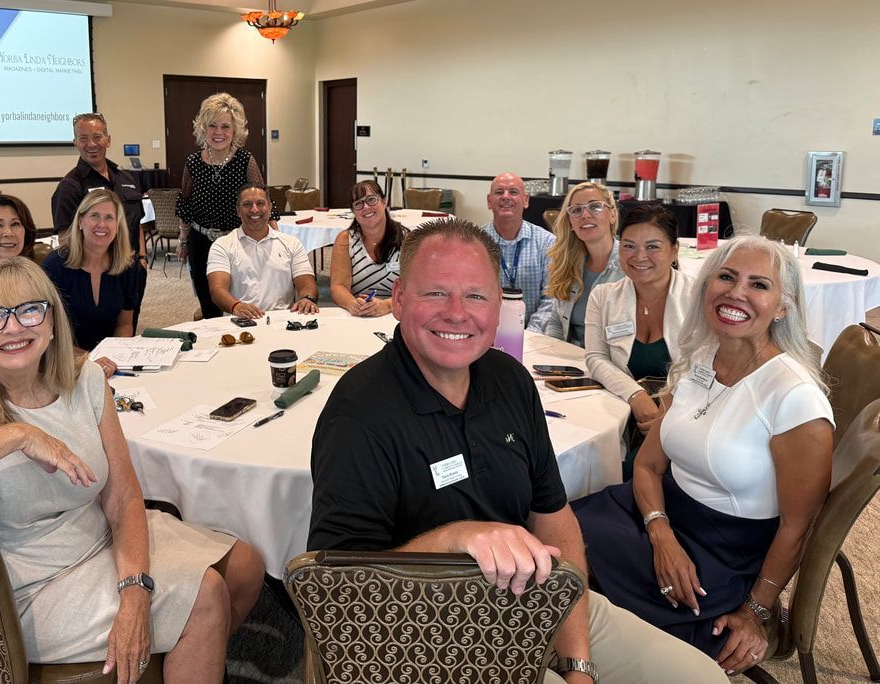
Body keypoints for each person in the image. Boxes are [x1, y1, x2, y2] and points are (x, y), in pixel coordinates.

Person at [309, 218, 729, 684]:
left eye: (476, 295)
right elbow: (339, 589)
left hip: (536, 596)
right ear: (400, 299)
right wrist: (454, 539)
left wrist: (578, 665)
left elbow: (553, 516)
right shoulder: (358, 415)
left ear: (498, 306)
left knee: (702, 678)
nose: (456, 312)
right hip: (424, 630)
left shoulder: (509, 380)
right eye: (435, 293)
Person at [0, 257, 265, 683]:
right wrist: (13, 436)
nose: (14, 328)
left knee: (245, 565)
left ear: (51, 320)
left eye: (29, 310)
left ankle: (166, 658)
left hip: (97, 537)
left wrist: (134, 591)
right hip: (27, 583)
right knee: (205, 598)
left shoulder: (84, 378)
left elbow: (124, 496)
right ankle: (183, 641)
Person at [573, 237, 833, 675]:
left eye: (758, 285)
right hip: (657, 515)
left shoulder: (795, 398)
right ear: (706, 285)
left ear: (783, 307)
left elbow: (799, 526)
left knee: (579, 593)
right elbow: (648, 464)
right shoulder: (699, 358)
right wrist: (661, 534)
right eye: (726, 277)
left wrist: (757, 611)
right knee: (552, 542)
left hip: (721, 555)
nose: (736, 293)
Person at [583, 204, 694, 479]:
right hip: (623, 409)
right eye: (629, 246)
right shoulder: (604, 297)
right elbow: (596, 358)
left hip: (685, 414)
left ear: (675, 250)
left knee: (638, 472)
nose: (639, 257)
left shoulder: (697, 298)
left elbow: (704, 366)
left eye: (653, 247)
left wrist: (665, 411)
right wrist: (636, 396)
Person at [175, 93, 278, 318]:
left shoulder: (245, 160)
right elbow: (185, 204)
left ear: (235, 131)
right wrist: (183, 241)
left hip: (237, 242)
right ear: (203, 128)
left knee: (241, 302)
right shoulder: (192, 162)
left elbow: (262, 202)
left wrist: (276, 240)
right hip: (200, 242)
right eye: (212, 126)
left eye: (225, 126)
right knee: (209, 303)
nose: (219, 133)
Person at [51, 112, 147, 326]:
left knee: (127, 327)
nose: (91, 144)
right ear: (75, 143)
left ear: (108, 139)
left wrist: (141, 258)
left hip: (130, 269)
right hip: (97, 274)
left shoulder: (126, 178)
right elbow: (66, 238)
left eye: (97, 137)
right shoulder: (70, 186)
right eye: (83, 138)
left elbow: (136, 222)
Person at [43, 190, 139, 378]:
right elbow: (45, 333)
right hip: (62, 362)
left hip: (110, 364)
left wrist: (112, 357)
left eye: (109, 218)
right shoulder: (54, 266)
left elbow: (125, 324)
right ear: (80, 221)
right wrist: (88, 360)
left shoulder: (128, 267)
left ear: (118, 226)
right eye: (94, 216)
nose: (102, 224)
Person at [206, 183, 318, 319]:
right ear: (238, 211)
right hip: (240, 321)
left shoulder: (291, 243)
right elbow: (217, 289)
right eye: (247, 204)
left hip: (282, 321)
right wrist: (236, 306)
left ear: (270, 208)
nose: (254, 210)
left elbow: (306, 282)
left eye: (260, 203)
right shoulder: (222, 246)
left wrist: (307, 299)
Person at [543, 182, 624, 346]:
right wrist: (551, 359)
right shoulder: (566, 262)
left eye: (595, 207)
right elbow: (555, 322)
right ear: (571, 222)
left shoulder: (629, 266)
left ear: (612, 215)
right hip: (569, 361)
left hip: (613, 361)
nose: (585, 215)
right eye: (576, 210)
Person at [479, 172, 556, 331]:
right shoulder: (476, 243)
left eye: (513, 192)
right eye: (499, 192)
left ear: (526, 200)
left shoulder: (547, 242)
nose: (506, 197)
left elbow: (552, 299)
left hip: (535, 336)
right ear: (489, 201)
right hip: (486, 334)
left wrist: (528, 336)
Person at [328, 181, 403, 317]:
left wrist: (386, 305)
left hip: (397, 311)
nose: (366, 207)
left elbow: (416, 289)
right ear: (353, 211)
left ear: (384, 201)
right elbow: (338, 286)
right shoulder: (345, 240)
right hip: (360, 315)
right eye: (358, 204)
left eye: (371, 200)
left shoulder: (406, 238)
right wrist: (353, 304)